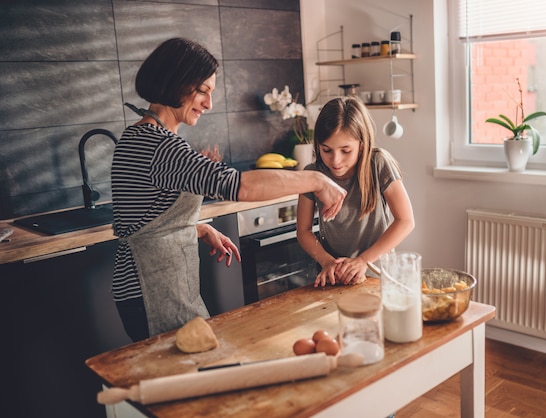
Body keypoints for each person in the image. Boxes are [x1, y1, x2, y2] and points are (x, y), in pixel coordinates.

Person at [111, 38, 346, 342]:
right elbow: (241, 186)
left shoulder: (140, 136)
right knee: (184, 376)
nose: (209, 104)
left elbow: (145, 217)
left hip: (151, 287)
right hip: (150, 292)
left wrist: (195, 228)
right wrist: (316, 180)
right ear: (178, 83)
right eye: (203, 91)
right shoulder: (159, 146)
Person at [296, 96, 415, 287]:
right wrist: (327, 262)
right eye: (327, 150)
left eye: (345, 150)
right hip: (333, 275)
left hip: (376, 274)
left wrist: (363, 261)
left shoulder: (378, 163)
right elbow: (303, 231)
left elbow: (406, 221)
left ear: (362, 143)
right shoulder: (313, 174)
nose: (335, 160)